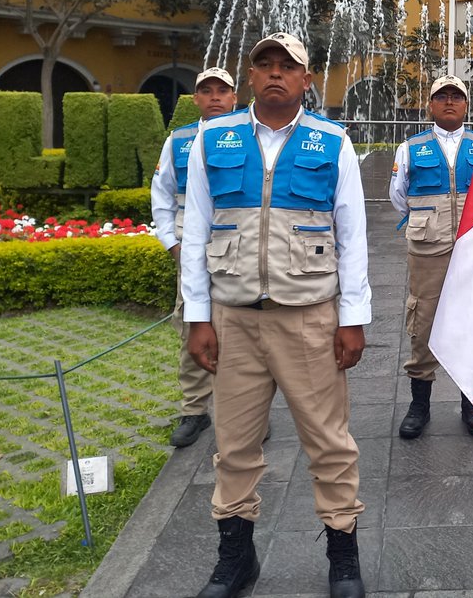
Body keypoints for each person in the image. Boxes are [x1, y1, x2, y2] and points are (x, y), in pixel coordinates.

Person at [181, 32, 370, 598]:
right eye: (263, 64)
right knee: (234, 447)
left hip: (309, 317)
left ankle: (343, 555)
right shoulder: (212, 139)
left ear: (306, 79)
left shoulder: (331, 142)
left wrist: (353, 317)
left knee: (330, 444)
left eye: (287, 65)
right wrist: (198, 317)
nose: (274, 73)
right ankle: (236, 557)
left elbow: (353, 236)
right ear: (250, 76)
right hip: (234, 318)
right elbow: (195, 232)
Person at [388, 74, 473, 439]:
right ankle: (420, 405)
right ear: (430, 105)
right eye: (441, 97)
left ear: (465, 105)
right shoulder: (411, 148)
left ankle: (472, 405)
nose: (449, 102)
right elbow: (398, 196)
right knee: (423, 323)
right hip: (428, 250)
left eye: (456, 97)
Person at [151, 66, 237, 448]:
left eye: (223, 91)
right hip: (192, 251)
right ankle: (194, 410)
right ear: (196, 99)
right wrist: (172, 244)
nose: (215, 97)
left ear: (235, 97)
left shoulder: (248, 136)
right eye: (207, 91)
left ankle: (244, 414)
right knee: (192, 328)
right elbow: (162, 196)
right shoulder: (179, 141)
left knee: (241, 334)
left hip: (236, 248)